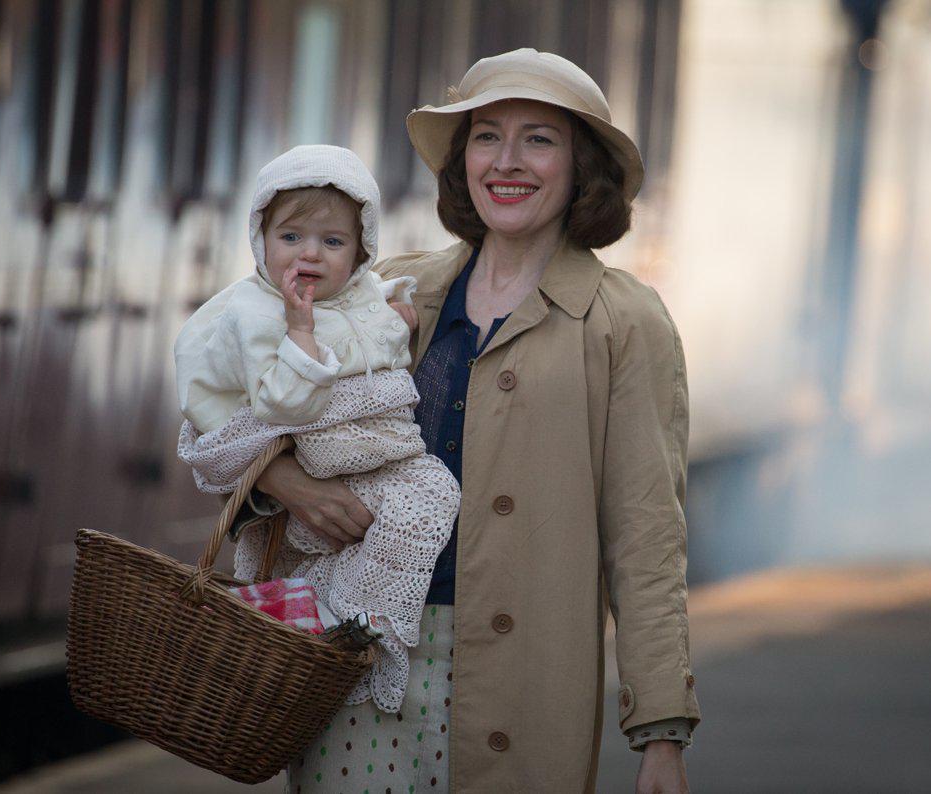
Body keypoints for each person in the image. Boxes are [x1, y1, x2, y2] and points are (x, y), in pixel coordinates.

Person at [255, 49, 700, 792]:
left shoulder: (624, 321)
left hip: (526, 688)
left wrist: (660, 732)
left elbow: (647, 533)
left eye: (539, 138)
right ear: (463, 161)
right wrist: (290, 483)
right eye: (487, 136)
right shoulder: (393, 291)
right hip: (359, 657)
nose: (508, 162)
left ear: (580, 165)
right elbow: (257, 414)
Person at [173, 145, 460, 711]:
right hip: (321, 463)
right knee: (392, 512)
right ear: (260, 239)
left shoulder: (362, 295)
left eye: (332, 243)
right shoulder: (252, 317)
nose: (310, 254)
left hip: (381, 465)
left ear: (359, 254)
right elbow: (280, 407)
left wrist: (400, 319)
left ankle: (358, 616)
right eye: (290, 238)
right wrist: (301, 338)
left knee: (434, 497)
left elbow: (375, 333)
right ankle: (337, 620)